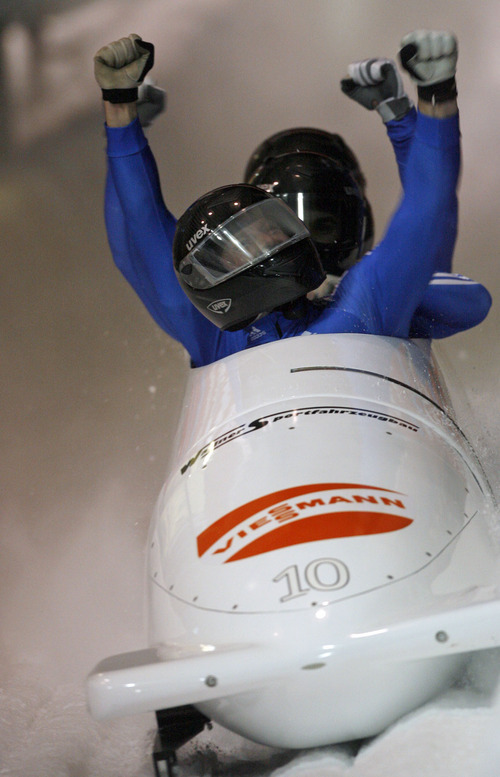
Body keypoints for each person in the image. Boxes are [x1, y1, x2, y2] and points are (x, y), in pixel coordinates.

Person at [94, 30, 491, 367]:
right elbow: (140, 239)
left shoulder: (366, 297)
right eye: (262, 232)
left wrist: (121, 113)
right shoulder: (366, 302)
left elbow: (427, 220)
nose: (299, 237)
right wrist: (429, 101)